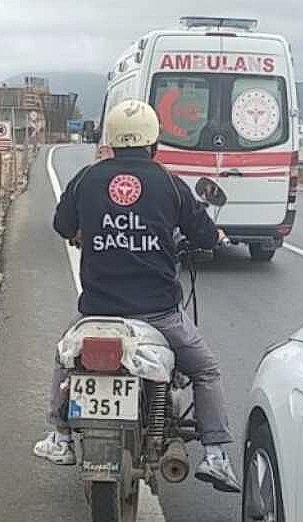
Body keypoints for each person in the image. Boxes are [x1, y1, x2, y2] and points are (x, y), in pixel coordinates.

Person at [33, 99, 240, 493]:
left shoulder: (87, 178)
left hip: (99, 309)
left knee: (65, 357)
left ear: (110, 140)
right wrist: (215, 237)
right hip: (159, 312)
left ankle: (59, 436)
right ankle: (215, 455)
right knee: (205, 370)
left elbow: (62, 225)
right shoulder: (169, 183)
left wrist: (84, 233)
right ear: (153, 143)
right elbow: (202, 233)